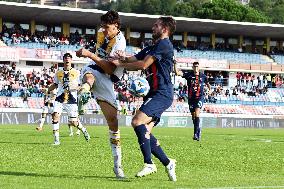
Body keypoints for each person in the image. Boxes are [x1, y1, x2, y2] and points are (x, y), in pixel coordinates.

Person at [111, 16, 177, 181]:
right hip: (154, 93)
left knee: (136, 122)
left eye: (156, 25)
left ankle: (149, 164)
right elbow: (133, 59)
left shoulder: (164, 45)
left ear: (165, 29)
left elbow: (142, 65)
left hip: (162, 93)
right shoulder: (152, 46)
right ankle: (168, 162)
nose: (153, 27)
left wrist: (120, 65)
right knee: (145, 133)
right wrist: (121, 57)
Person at [75, 10, 126, 179]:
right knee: (89, 76)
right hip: (94, 69)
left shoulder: (120, 43)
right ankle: (85, 90)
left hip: (108, 77)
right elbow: (97, 54)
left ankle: (117, 165)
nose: (103, 30)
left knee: (113, 122)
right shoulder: (100, 33)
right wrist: (88, 53)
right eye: (102, 26)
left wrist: (89, 54)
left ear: (116, 26)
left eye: (107, 27)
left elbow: (110, 68)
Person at [47, 53, 90, 145]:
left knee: (74, 122)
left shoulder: (77, 73)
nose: (67, 60)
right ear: (63, 60)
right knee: (55, 115)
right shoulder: (58, 73)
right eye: (66, 58)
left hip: (71, 99)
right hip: (60, 98)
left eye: (69, 58)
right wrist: (47, 90)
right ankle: (56, 140)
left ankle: (84, 130)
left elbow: (80, 86)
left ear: (71, 60)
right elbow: (55, 84)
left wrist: (76, 88)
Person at [174, 61, 211, 141]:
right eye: (194, 66)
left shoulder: (203, 76)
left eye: (197, 66)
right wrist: (175, 64)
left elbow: (208, 85)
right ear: (192, 67)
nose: (196, 68)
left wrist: (209, 90)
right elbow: (177, 73)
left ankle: (195, 134)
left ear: (199, 67)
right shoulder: (189, 75)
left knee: (197, 113)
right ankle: (198, 130)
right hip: (191, 98)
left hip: (199, 97)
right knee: (193, 116)